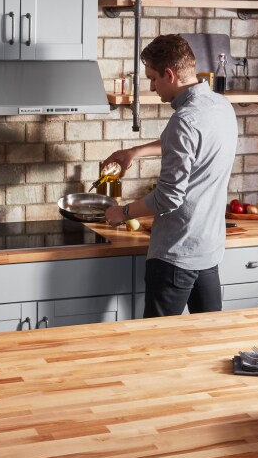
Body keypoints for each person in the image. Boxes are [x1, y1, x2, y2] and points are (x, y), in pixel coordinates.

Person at [102, 34, 238, 318]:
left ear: (170, 74)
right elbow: (190, 146)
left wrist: (122, 213)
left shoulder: (184, 120)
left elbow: (168, 197)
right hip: (209, 250)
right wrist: (134, 152)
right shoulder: (220, 106)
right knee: (209, 339)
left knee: (157, 344)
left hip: (176, 254)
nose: (151, 87)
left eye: (153, 78)